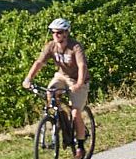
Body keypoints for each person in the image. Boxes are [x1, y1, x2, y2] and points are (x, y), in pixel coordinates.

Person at [22, 17, 90, 145]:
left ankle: (80, 144)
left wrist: (79, 83)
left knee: (76, 112)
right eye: (53, 32)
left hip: (77, 80)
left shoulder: (75, 47)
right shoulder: (51, 46)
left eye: (58, 32)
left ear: (66, 33)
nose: (55, 35)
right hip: (61, 76)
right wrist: (28, 79)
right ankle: (63, 122)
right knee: (50, 94)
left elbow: (82, 66)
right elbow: (39, 63)